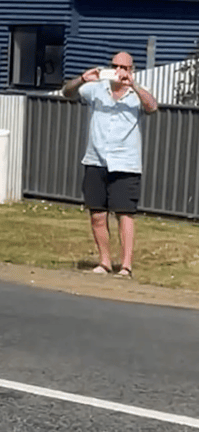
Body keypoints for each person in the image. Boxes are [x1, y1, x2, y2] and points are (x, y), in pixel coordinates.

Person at [62, 51, 158, 278]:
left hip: (126, 163)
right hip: (96, 159)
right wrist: (82, 79)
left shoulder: (136, 93)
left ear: (131, 70)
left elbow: (152, 107)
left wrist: (134, 86)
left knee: (125, 214)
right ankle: (104, 262)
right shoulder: (96, 89)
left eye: (124, 67)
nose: (119, 71)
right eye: (116, 66)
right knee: (97, 214)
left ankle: (126, 266)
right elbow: (67, 93)